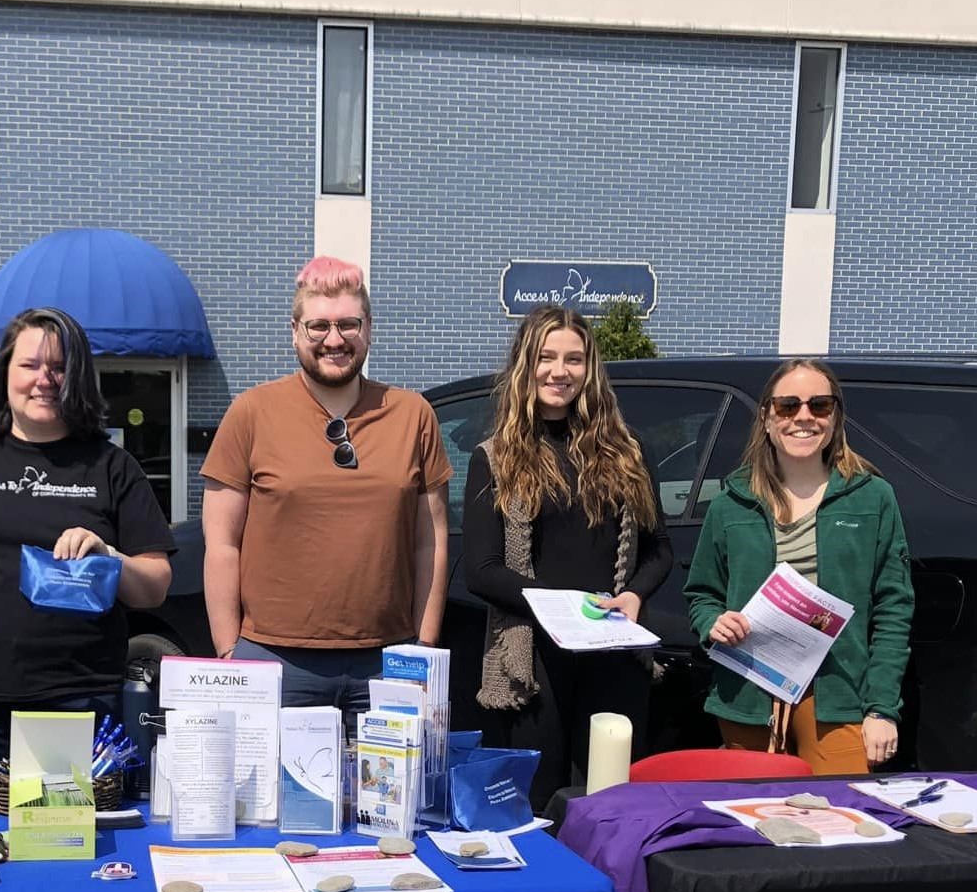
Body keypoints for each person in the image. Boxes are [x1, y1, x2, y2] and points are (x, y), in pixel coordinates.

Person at [0, 307, 174, 793]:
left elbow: (155, 586)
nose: (44, 380)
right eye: (30, 366)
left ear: (78, 378)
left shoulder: (111, 466)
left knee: (63, 846)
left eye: (59, 367)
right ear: (6, 373)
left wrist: (109, 555)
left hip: (76, 702)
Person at [200, 257, 451, 710]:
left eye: (348, 324)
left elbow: (428, 540)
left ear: (368, 328)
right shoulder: (251, 412)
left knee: (391, 784)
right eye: (318, 326)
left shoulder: (414, 415)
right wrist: (228, 654)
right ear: (295, 330)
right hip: (273, 659)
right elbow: (221, 544)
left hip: (389, 659)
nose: (333, 340)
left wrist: (424, 647)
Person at [463, 305, 671, 810]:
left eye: (573, 359)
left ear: (589, 367)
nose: (560, 371)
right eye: (546, 357)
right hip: (533, 661)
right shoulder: (495, 457)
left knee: (607, 804)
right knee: (539, 804)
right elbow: (481, 571)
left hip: (614, 654)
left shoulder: (626, 451)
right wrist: (563, 606)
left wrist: (634, 595)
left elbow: (658, 549)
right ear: (525, 364)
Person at [685, 358, 913, 772]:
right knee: (751, 820)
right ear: (768, 419)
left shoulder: (872, 497)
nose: (803, 417)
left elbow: (893, 610)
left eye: (819, 405)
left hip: (839, 694)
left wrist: (882, 709)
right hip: (749, 690)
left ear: (835, 417)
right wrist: (713, 622)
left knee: (840, 821)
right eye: (788, 406)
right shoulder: (729, 502)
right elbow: (702, 593)